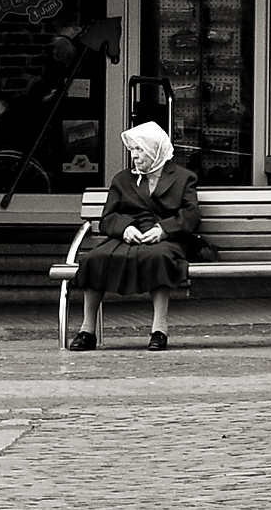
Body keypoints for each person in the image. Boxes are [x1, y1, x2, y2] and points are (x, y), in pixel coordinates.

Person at [68, 120, 202, 352]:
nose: (135, 156)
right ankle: (87, 330)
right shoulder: (122, 179)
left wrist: (163, 229)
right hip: (128, 237)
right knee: (94, 258)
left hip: (168, 239)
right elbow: (108, 217)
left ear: (155, 149)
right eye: (132, 150)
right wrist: (125, 228)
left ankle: (159, 329)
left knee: (158, 257)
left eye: (140, 150)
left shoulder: (183, 177)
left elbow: (191, 214)